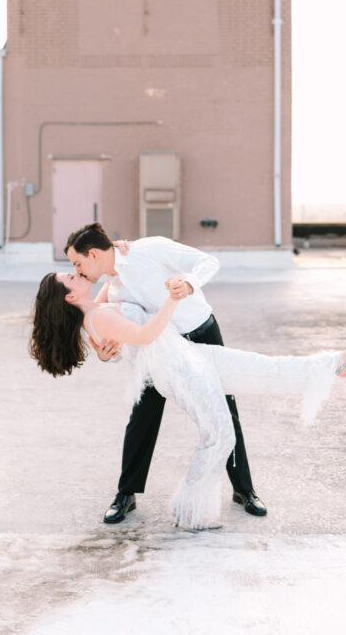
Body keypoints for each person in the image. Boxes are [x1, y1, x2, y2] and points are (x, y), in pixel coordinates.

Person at [29, 264, 346, 531]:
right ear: (70, 297)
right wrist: (173, 300)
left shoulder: (96, 311)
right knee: (220, 434)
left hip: (192, 355)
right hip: (180, 372)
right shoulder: (97, 316)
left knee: (263, 369)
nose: (77, 273)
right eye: (71, 276)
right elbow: (145, 335)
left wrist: (112, 262)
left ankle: (334, 365)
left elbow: (110, 289)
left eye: (75, 267)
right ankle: (188, 508)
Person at [64, 223, 265, 524]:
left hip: (201, 333)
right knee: (143, 412)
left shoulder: (149, 249)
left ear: (93, 254)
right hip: (158, 353)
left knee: (225, 408)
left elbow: (207, 262)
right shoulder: (111, 291)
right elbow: (116, 337)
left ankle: (244, 489)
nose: (77, 272)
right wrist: (107, 355)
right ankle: (125, 494)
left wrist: (189, 283)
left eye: (77, 264)